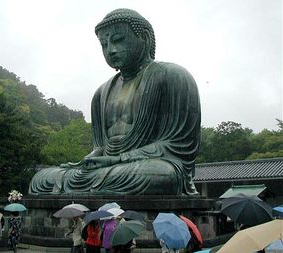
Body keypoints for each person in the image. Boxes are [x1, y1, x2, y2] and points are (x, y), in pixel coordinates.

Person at [29, 8, 201, 196]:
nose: (110, 50)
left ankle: (89, 188)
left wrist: (118, 159)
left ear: (144, 38)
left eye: (118, 40)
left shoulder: (172, 76)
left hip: (149, 167)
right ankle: (89, 186)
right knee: (42, 178)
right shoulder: (101, 93)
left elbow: (178, 147)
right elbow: (101, 147)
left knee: (162, 175)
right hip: (109, 169)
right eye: (104, 44)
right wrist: (92, 158)